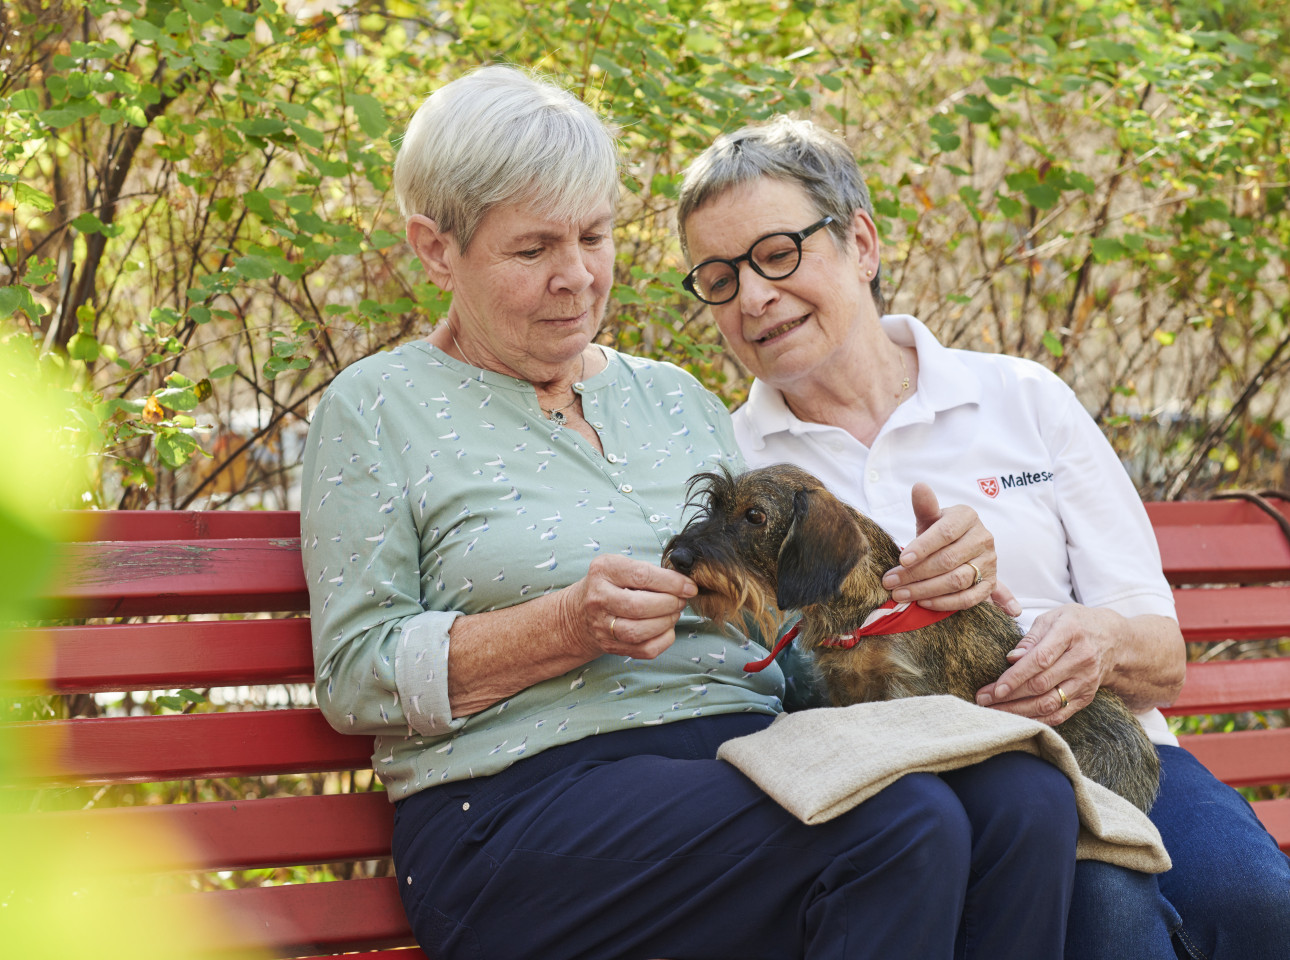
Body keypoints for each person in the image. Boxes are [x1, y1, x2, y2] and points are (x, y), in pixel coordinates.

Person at [300, 65, 1083, 960]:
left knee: (1024, 803)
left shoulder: (672, 399)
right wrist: (562, 626)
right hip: (517, 810)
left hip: (749, 761)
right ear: (436, 249)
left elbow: (782, 629)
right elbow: (355, 673)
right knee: (895, 825)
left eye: (594, 237)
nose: (578, 277)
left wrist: (925, 598)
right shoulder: (376, 408)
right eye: (533, 250)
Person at [675, 115, 1290, 960]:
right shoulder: (733, 469)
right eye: (718, 276)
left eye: (778, 253)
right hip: (936, 787)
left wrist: (1098, 645)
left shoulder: (1021, 396)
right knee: (1108, 911)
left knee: (1259, 905)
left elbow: (1163, 655)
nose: (752, 297)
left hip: (1109, 741)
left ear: (860, 241)